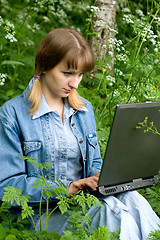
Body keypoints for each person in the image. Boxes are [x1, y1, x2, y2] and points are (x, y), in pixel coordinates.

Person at [0, 28, 159, 239]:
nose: (75, 84)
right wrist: (67, 188)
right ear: (45, 67)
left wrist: (104, 177)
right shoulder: (12, 114)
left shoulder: (84, 109)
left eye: (80, 74)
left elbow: (93, 163)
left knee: (134, 201)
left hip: (82, 202)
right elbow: (6, 186)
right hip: (39, 214)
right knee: (114, 217)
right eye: (67, 73)